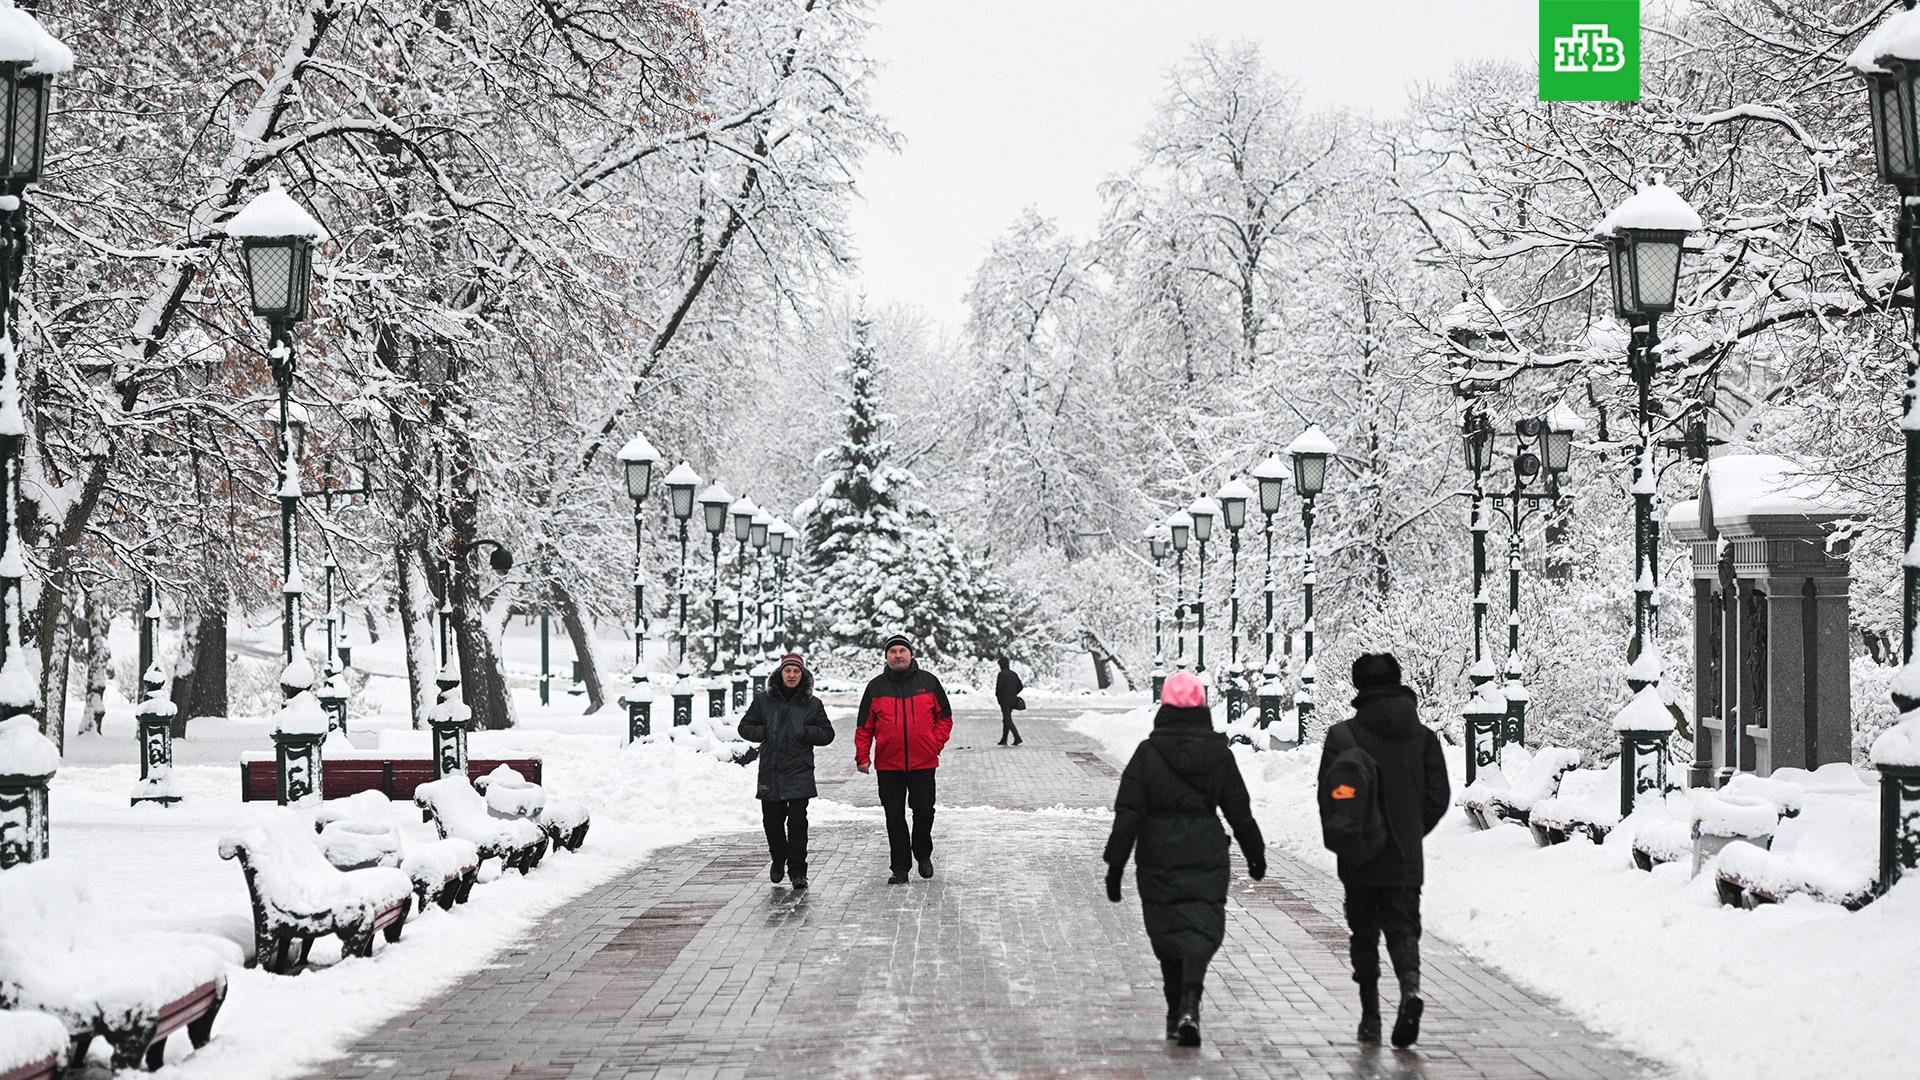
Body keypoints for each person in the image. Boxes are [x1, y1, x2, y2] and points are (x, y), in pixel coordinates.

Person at [1103, 670, 1264, 1047]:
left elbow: (1128, 812)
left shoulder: (1147, 753)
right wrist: (1254, 854)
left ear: (1165, 706)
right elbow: (1239, 810)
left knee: (1168, 931)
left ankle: (1175, 1011)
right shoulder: (1217, 753)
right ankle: (1191, 1000)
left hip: (1158, 853)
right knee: (1199, 927)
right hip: (1206, 851)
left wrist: (1115, 866)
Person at [1317, 652, 1449, 1049]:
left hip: (1359, 854)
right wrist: (1408, 832)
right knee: (1402, 927)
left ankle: (1370, 1017)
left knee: (1363, 932)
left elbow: (1330, 795)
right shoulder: (1423, 737)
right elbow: (1439, 795)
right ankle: (1409, 990)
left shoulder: (1342, 736)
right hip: (1404, 856)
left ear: (1359, 686)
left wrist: (1360, 832)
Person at [854, 633, 953, 884]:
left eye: (902, 651)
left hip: (923, 763)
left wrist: (934, 744)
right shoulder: (875, 687)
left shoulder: (929, 682)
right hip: (889, 765)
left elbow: (945, 718)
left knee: (924, 811)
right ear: (886, 657)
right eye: (893, 652)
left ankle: (923, 853)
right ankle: (900, 867)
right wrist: (862, 756)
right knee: (894, 816)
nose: (898, 655)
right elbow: (864, 726)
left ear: (910, 654)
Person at [737, 652, 836, 891]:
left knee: (798, 825)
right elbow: (744, 727)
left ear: (802, 675)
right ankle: (778, 858)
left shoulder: (812, 704)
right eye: (787, 671)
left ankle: (798, 872)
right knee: (772, 822)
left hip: (799, 771)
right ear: (780, 673)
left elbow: (827, 734)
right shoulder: (763, 701)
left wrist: (805, 731)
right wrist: (765, 732)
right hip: (771, 771)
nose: (791, 675)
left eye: (796, 671)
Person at [994, 656, 1024, 746]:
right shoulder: (1013, 674)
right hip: (1012, 699)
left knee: (1007, 719)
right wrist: (1013, 693)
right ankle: (1004, 738)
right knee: (1006, 718)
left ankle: (1017, 737)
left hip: (1004, 700)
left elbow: (999, 688)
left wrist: (998, 696)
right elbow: (1020, 686)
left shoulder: (1001, 674)